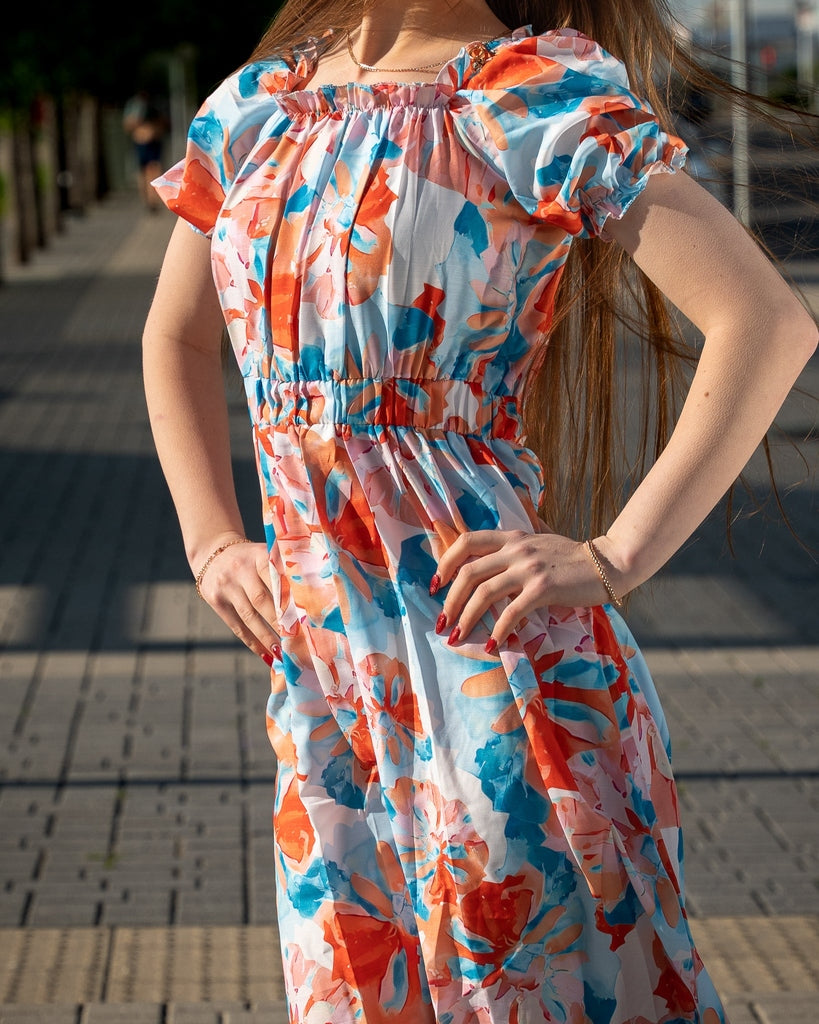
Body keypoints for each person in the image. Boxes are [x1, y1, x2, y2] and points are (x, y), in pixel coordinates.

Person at [141, 0, 817, 1020]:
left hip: (498, 683)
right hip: (329, 699)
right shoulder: (253, 107)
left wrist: (618, 554)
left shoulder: (526, 94)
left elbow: (765, 319)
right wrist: (210, 540)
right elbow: (177, 337)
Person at [123, 88, 168, 211]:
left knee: (151, 169)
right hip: (143, 141)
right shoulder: (138, 104)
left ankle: (152, 200)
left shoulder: (139, 104)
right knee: (146, 171)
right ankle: (150, 200)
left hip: (148, 141)